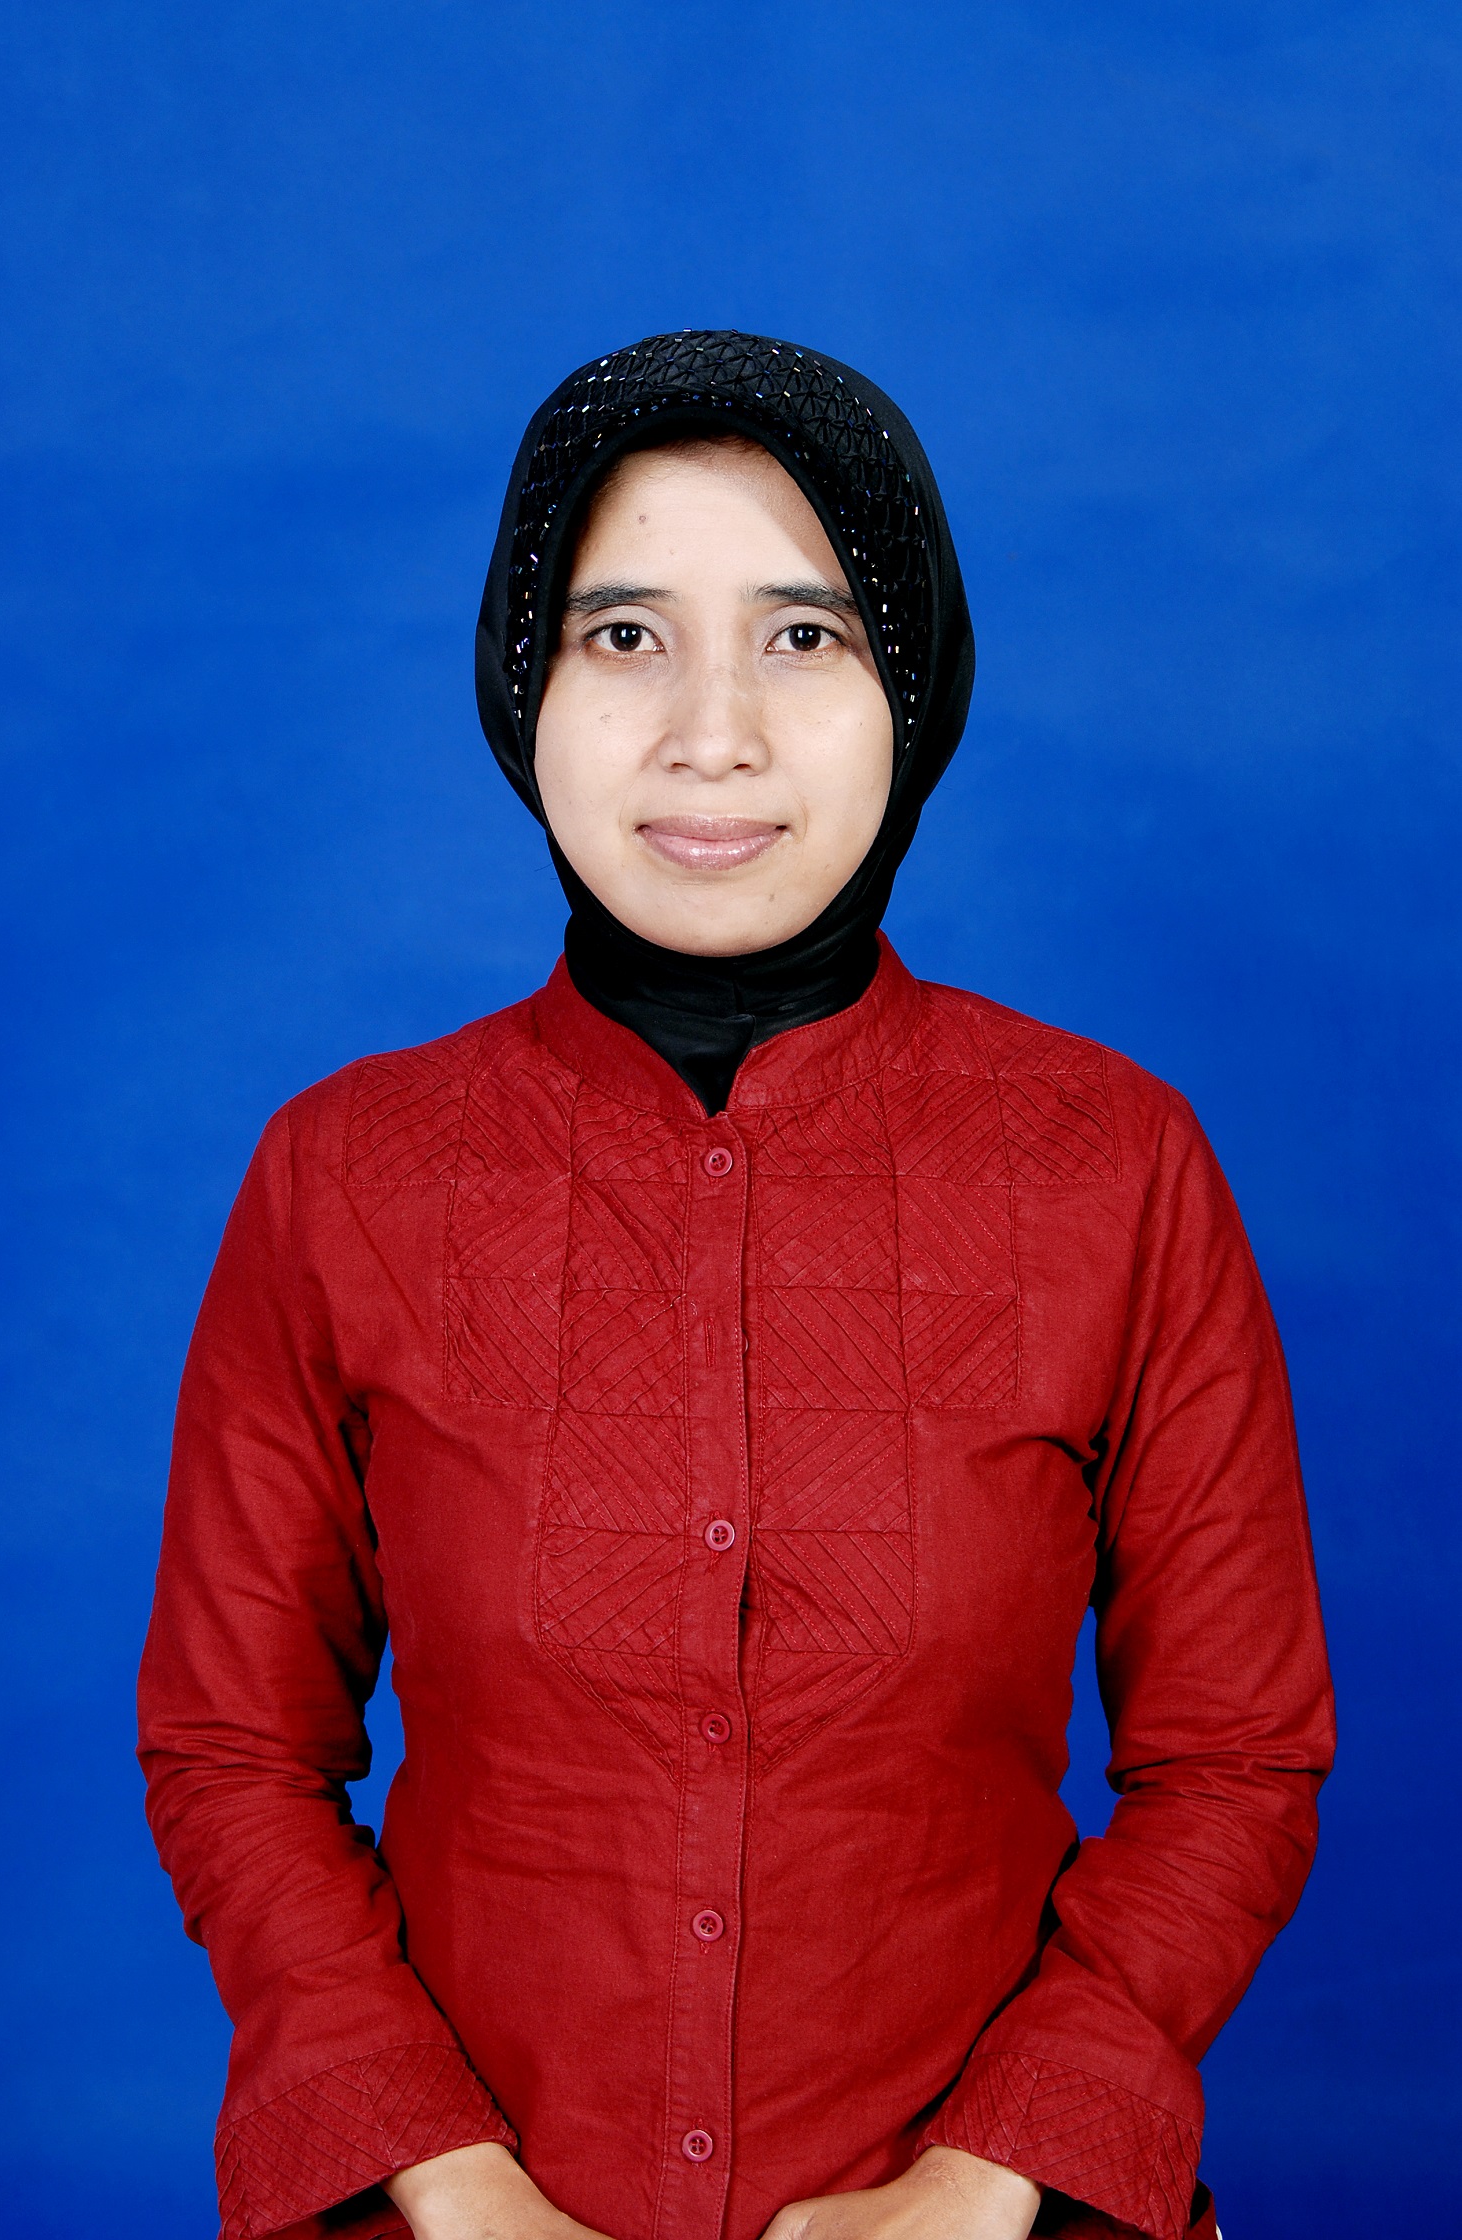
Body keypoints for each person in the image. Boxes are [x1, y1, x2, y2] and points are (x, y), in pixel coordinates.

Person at [138, 332, 1335, 2240]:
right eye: (624, 635)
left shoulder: (1115, 1164)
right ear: (523, 681)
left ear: (911, 690)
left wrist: (987, 2180)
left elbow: (1235, 1758)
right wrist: (443, 2177)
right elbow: (235, 1749)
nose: (714, 735)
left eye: (805, 636)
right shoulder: (344, 1172)